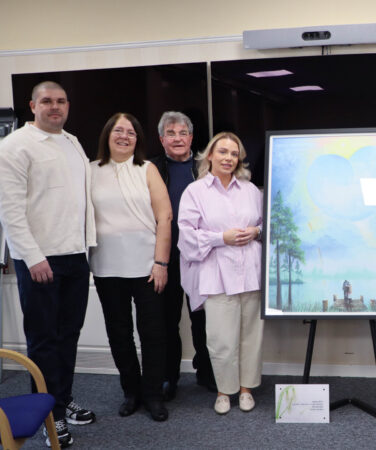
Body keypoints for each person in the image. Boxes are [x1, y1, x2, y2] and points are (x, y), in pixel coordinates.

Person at [0, 81, 97, 448]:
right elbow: (9, 210)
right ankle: (49, 417)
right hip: (40, 259)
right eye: (47, 101)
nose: (54, 107)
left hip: (75, 256)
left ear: (68, 106)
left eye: (60, 101)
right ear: (32, 105)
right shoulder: (14, 147)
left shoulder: (72, 142)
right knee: (43, 340)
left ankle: (61, 399)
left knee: (68, 336)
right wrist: (33, 257)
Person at [89, 113, 171, 422]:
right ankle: (131, 391)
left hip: (147, 266)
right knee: (118, 333)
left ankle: (152, 394)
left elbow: (165, 217)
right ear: (107, 135)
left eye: (131, 132)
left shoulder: (147, 169)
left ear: (138, 138)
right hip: (107, 267)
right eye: (119, 130)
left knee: (153, 333)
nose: (125, 136)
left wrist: (161, 263)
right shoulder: (90, 171)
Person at [177, 131, 264, 414]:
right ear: (210, 155)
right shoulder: (196, 192)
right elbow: (186, 236)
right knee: (221, 339)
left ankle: (247, 389)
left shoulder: (251, 191)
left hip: (251, 273)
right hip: (217, 275)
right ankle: (225, 390)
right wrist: (220, 238)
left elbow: (267, 225)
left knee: (250, 336)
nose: (228, 158)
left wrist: (257, 230)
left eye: (234, 153)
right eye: (223, 152)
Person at [151, 111, 215, 400]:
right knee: (167, 322)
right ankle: (169, 378)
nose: (177, 138)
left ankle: (207, 372)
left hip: (201, 258)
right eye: (171, 133)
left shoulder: (207, 168)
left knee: (203, 319)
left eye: (182, 133)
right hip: (166, 259)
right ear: (162, 139)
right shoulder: (151, 169)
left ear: (191, 137)